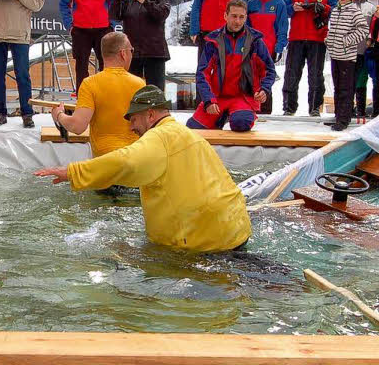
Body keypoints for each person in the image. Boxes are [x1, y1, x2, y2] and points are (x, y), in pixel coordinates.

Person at [34, 84, 252, 253]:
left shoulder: (159, 137)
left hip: (205, 244)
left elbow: (126, 162)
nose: (131, 127)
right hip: (235, 229)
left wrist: (73, 172)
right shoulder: (188, 135)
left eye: (134, 119)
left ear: (150, 115)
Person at [187, 0, 275, 133]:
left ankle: (233, 115)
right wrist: (208, 100)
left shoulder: (255, 41)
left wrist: (264, 89)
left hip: (244, 97)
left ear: (246, 17)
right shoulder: (213, 40)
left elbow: (269, 70)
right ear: (225, 16)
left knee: (241, 123)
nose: (237, 21)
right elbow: (202, 73)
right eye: (234, 16)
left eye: (241, 17)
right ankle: (219, 117)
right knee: (193, 128)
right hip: (218, 97)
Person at [51, 31, 144, 157]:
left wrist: (59, 115)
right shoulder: (139, 84)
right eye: (131, 51)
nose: (132, 55)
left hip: (104, 160)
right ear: (123, 54)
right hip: (134, 157)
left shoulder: (90, 84)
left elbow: (77, 126)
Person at [282, 0, 337, 116]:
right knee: (291, 73)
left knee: (315, 75)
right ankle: (289, 108)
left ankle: (314, 108)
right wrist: (293, 8)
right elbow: (284, 10)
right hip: (296, 37)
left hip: (318, 37)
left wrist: (323, 8)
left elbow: (336, 10)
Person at [60, 0, 118, 91]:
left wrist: (110, 23)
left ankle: (106, 95)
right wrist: (70, 25)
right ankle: (83, 100)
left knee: (106, 65)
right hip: (81, 30)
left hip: (102, 29)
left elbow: (112, 0)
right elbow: (64, 4)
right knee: (81, 67)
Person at [108, 0, 170, 89]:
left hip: (154, 53)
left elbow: (161, 15)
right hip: (132, 52)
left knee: (155, 92)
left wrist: (145, 2)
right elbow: (114, 16)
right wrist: (118, 0)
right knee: (130, 91)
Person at [323, 0, 366, 131]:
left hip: (347, 57)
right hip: (335, 55)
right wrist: (329, 39)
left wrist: (347, 41)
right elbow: (332, 29)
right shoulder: (335, 10)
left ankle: (344, 118)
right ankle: (338, 115)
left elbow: (363, 30)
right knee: (337, 87)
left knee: (345, 89)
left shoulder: (354, 11)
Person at [246, 0, 288, 114]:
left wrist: (279, 48)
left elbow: (282, 28)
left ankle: (266, 111)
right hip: (252, 49)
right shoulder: (251, 4)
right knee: (251, 79)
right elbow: (246, 27)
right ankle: (252, 109)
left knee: (266, 80)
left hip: (269, 49)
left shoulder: (279, 4)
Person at [351, 0, 377, 120]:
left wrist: (370, 39)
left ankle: (361, 109)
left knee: (361, 79)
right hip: (348, 50)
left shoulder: (370, 7)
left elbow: (374, 27)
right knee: (348, 81)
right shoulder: (345, 5)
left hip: (364, 50)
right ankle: (348, 108)